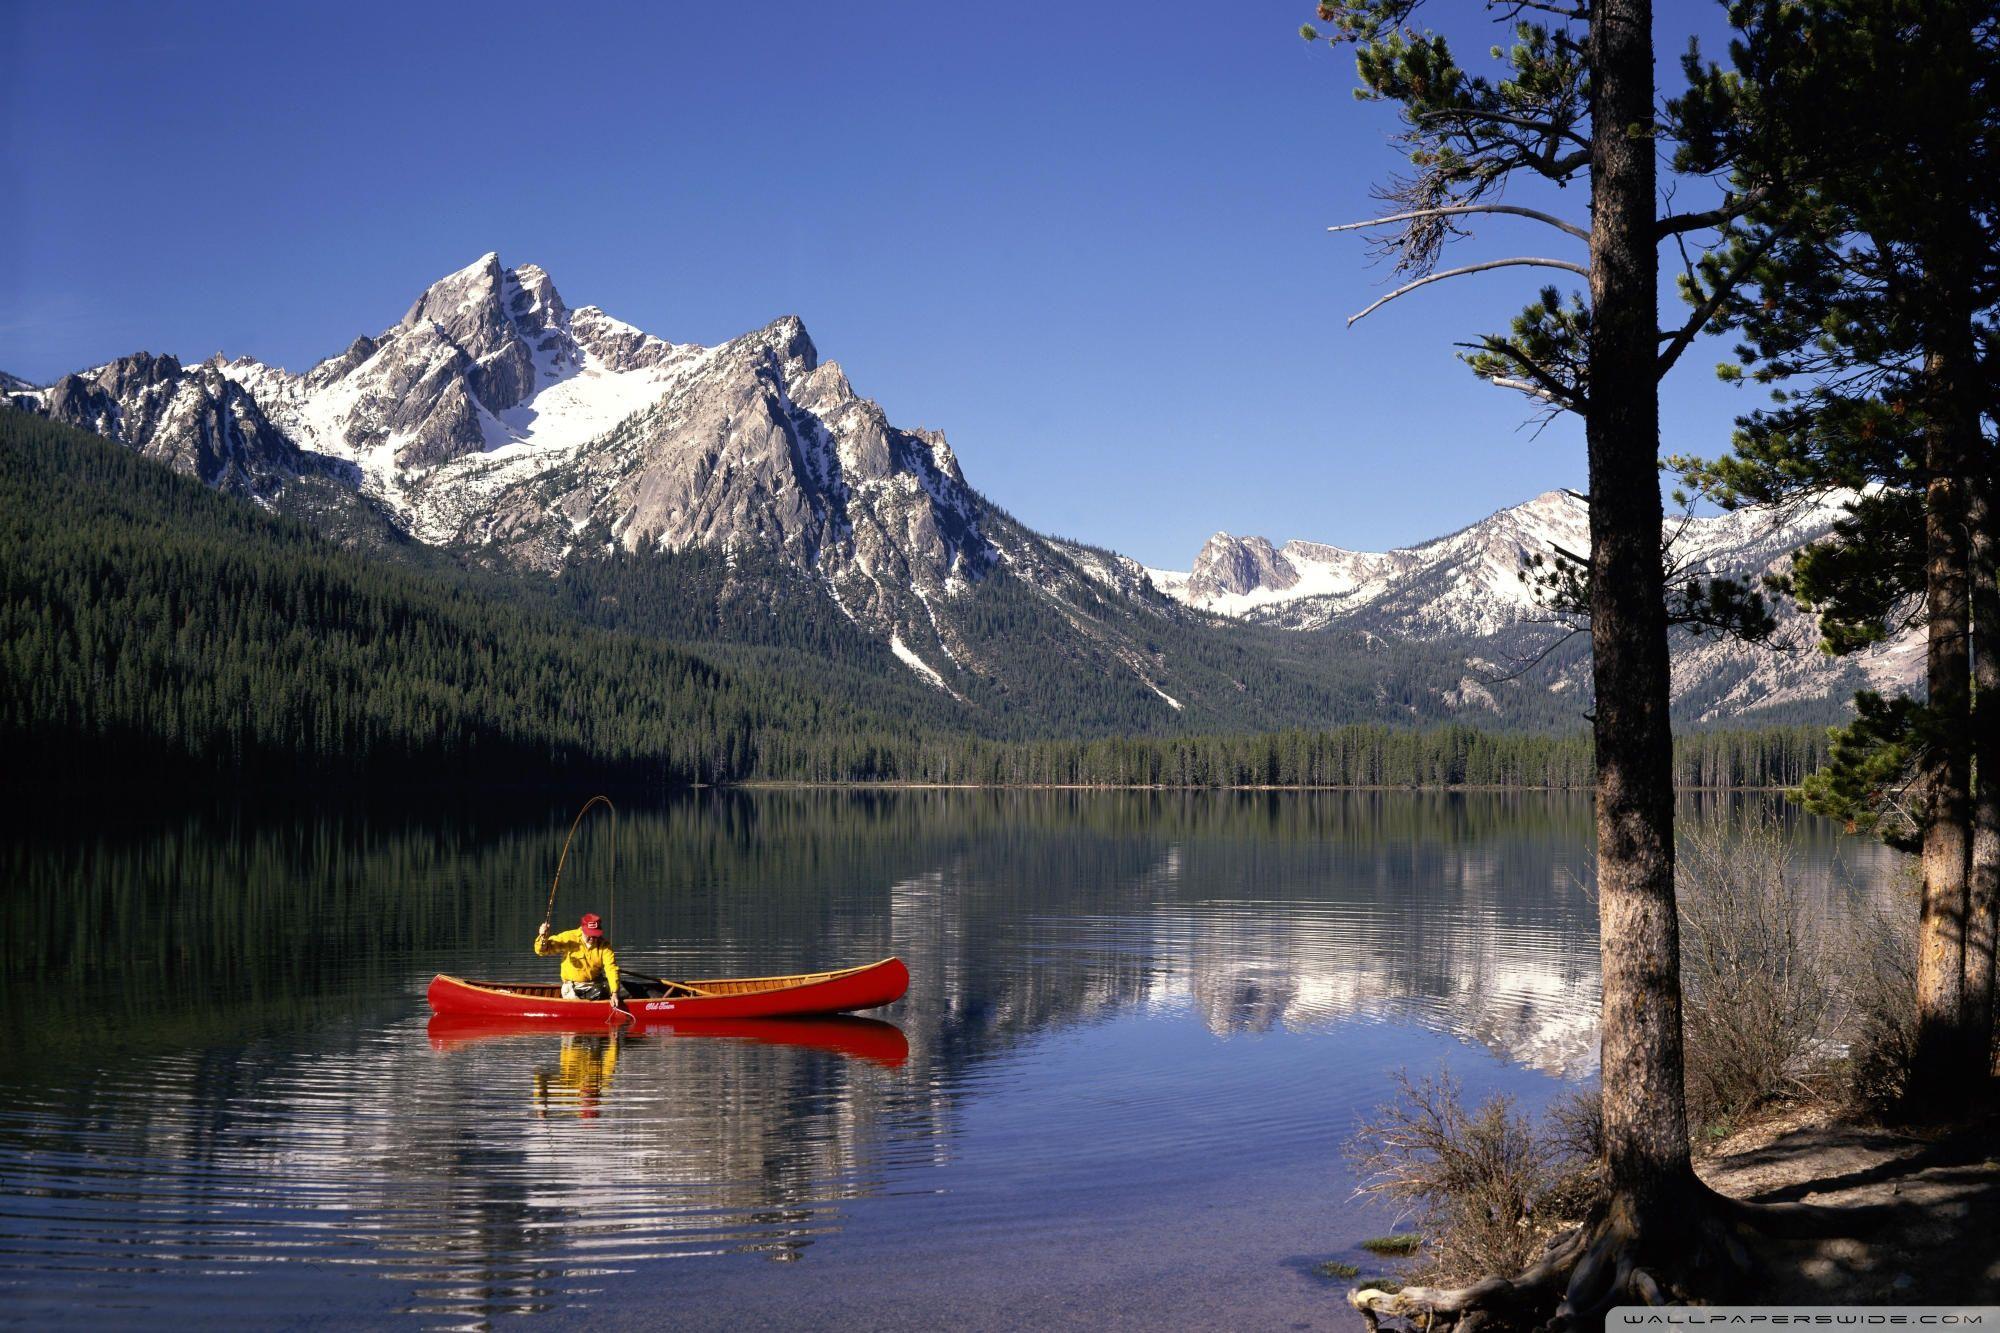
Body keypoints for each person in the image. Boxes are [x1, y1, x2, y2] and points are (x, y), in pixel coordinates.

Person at [535, 912, 628, 1014]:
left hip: (596, 983)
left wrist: (615, 992)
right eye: (590, 934)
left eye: (595, 934)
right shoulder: (569, 938)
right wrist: (542, 937)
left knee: (626, 988)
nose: (592, 938)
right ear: (582, 929)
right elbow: (542, 950)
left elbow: (611, 968)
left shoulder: (604, 945)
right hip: (573, 987)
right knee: (599, 992)